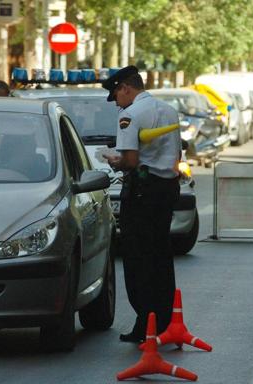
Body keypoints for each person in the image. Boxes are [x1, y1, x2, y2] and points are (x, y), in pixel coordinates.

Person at [101, 66, 181, 343]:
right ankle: (163, 320)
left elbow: (131, 161)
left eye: (116, 96)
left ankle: (144, 323)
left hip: (141, 192)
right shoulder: (169, 110)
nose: (117, 103)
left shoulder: (129, 115)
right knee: (160, 254)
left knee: (137, 258)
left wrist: (114, 160)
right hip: (167, 188)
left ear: (125, 88)